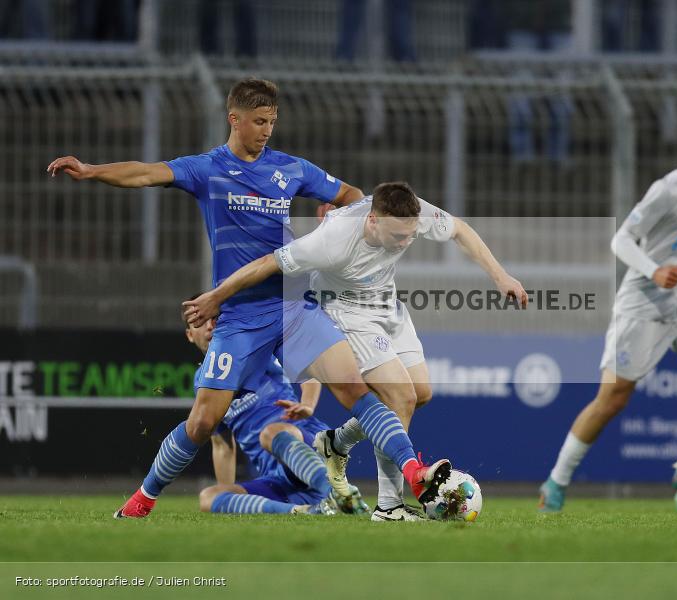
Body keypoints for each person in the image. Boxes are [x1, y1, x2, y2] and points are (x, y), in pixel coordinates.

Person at [47, 78, 451, 519]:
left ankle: (413, 473)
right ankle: (142, 499)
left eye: (272, 121)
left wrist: (337, 212)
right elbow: (146, 172)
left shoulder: (290, 169)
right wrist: (91, 170)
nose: (267, 130)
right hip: (240, 317)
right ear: (234, 119)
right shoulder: (207, 169)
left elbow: (351, 195)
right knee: (203, 422)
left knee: (356, 389)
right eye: (259, 121)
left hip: (294, 307)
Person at [184, 181, 528, 521]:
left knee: (421, 393)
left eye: (410, 235)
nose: (406, 242)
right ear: (373, 221)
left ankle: (337, 442)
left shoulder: (408, 212)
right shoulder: (330, 242)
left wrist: (501, 277)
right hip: (346, 313)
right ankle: (389, 507)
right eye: (398, 236)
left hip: (387, 307)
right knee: (401, 397)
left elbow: (460, 230)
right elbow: (266, 263)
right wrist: (217, 296)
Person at [539, 111, 677, 514]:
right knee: (611, 399)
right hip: (642, 305)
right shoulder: (669, 190)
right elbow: (621, 240)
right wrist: (654, 270)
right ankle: (556, 482)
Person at [176, 297, 369, 516]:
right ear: (190, 335)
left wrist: (307, 404)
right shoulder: (203, 383)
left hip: (309, 447)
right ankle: (305, 511)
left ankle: (339, 492)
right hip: (281, 480)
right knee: (209, 497)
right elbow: (222, 446)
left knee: (271, 432)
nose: (210, 326)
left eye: (215, 318)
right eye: (199, 322)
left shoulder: (254, 350)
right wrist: (227, 492)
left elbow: (309, 372)